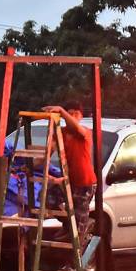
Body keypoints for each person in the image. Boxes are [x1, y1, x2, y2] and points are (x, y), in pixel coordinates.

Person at [42, 100, 97, 240]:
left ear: (81, 116)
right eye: (69, 113)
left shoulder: (85, 132)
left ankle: (79, 251)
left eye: (75, 114)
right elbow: (47, 154)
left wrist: (61, 110)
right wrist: (27, 166)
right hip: (69, 181)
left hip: (85, 182)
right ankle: (68, 225)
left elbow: (77, 128)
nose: (72, 116)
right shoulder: (60, 133)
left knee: (79, 224)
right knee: (49, 199)